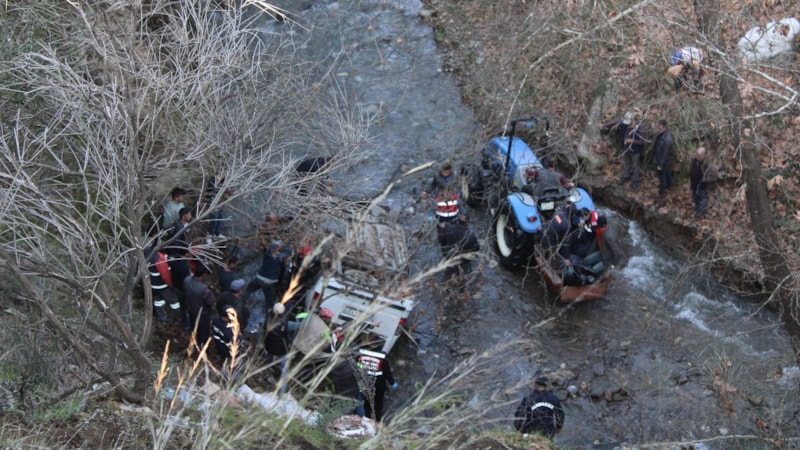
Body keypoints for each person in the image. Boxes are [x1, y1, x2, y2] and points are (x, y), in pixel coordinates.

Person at [144, 225, 181, 322]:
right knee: (173, 301)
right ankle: (178, 316)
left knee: (158, 301)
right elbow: (165, 274)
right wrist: (170, 284)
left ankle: (162, 317)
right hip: (162, 285)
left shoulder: (147, 250)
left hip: (152, 284)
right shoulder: (159, 258)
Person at [244, 240, 293, 312]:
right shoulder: (279, 257)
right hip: (269, 283)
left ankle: (241, 302)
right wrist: (286, 247)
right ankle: (269, 312)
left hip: (259, 278)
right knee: (270, 301)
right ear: (276, 249)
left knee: (248, 290)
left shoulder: (267, 253)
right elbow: (289, 251)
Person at [601, 112, 646, 188]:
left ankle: (635, 180)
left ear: (633, 120)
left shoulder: (640, 128)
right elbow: (615, 122)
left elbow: (642, 141)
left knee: (635, 165)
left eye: (629, 123)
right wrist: (604, 125)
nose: (627, 124)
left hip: (635, 150)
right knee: (626, 163)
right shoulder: (624, 123)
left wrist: (632, 141)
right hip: (625, 148)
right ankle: (625, 175)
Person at [355, 343, 398, 422]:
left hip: (365, 383)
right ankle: (378, 418)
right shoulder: (383, 360)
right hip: (379, 384)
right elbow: (387, 373)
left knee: (367, 401)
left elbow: (358, 368)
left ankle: (367, 416)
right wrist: (392, 383)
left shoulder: (360, 357)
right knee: (378, 402)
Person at [437, 214, 480, 282]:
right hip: (463, 260)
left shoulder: (448, 229)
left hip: (449, 255)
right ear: (467, 223)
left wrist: (442, 229)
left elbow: (441, 240)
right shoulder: (471, 236)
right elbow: (477, 248)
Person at [183, 264, 217, 349]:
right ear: (203, 274)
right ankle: (203, 349)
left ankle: (195, 342)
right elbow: (212, 302)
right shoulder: (204, 290)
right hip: (203, 315)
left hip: (191, 311)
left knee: (194, 328)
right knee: (204, 334)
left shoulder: (186, 280)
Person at [169, 247, 193, 330]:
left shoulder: (174, 260)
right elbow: (187, 281)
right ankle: (188, 323)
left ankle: (185, 323)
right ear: (186, 254)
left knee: (182, 306)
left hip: (176, 287)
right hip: (183, 289)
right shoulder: (185, 267)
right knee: (186, 306)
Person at [689, 146, 716, 218]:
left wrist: (705, 179)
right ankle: (697, 207)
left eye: (699, 156)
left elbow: (713, 176)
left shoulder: (708, 163)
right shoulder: (694, 160)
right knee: (695, 196)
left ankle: (702, 211)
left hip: (702, 185)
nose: (697, 157)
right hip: (694, 183)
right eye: (697, 155)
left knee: (703, 198)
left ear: (703, 155)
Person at [652, 119, 675, 199]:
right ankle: (670, 185)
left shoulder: (667, 139)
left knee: (662, 176)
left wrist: (661, 165)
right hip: (660, 159)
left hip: (664, 161)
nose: (657, 126)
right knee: (667, 174)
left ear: (662, 126)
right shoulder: (661, 134)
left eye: (658, 125)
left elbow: (666, 153)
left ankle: (662, 192)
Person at [201, 170, 226, 240]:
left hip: (220, 202)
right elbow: (211, 190)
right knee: (214, 220)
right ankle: (209, 234)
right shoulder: (212, 180)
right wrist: (217, 183)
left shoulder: (224, 181)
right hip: (212, 202)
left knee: (220, 218)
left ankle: (217, 233)